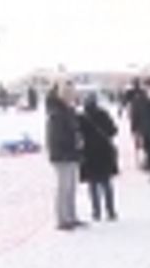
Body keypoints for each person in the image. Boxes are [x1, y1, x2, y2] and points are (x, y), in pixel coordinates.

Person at [46, 86, 86, 231]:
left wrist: (78, 140)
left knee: (71, 187)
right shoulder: (57, 114)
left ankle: (71, 216)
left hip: (71, 153)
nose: (73, 98)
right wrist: (73, 142)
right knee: (63, 187)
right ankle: (62, 219)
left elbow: (74, 130)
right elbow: (57, 137)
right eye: (70, 95)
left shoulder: (69, 112)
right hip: (61, 155)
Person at [79, 94, 119, 222]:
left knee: (92, 185)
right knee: (106, 183)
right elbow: (114, 131)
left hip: (89, 154)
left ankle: (96, 211)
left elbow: (78, 135)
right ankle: (110, 210)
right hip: (104, 152)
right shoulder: (103, 114)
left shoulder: (81, 118)